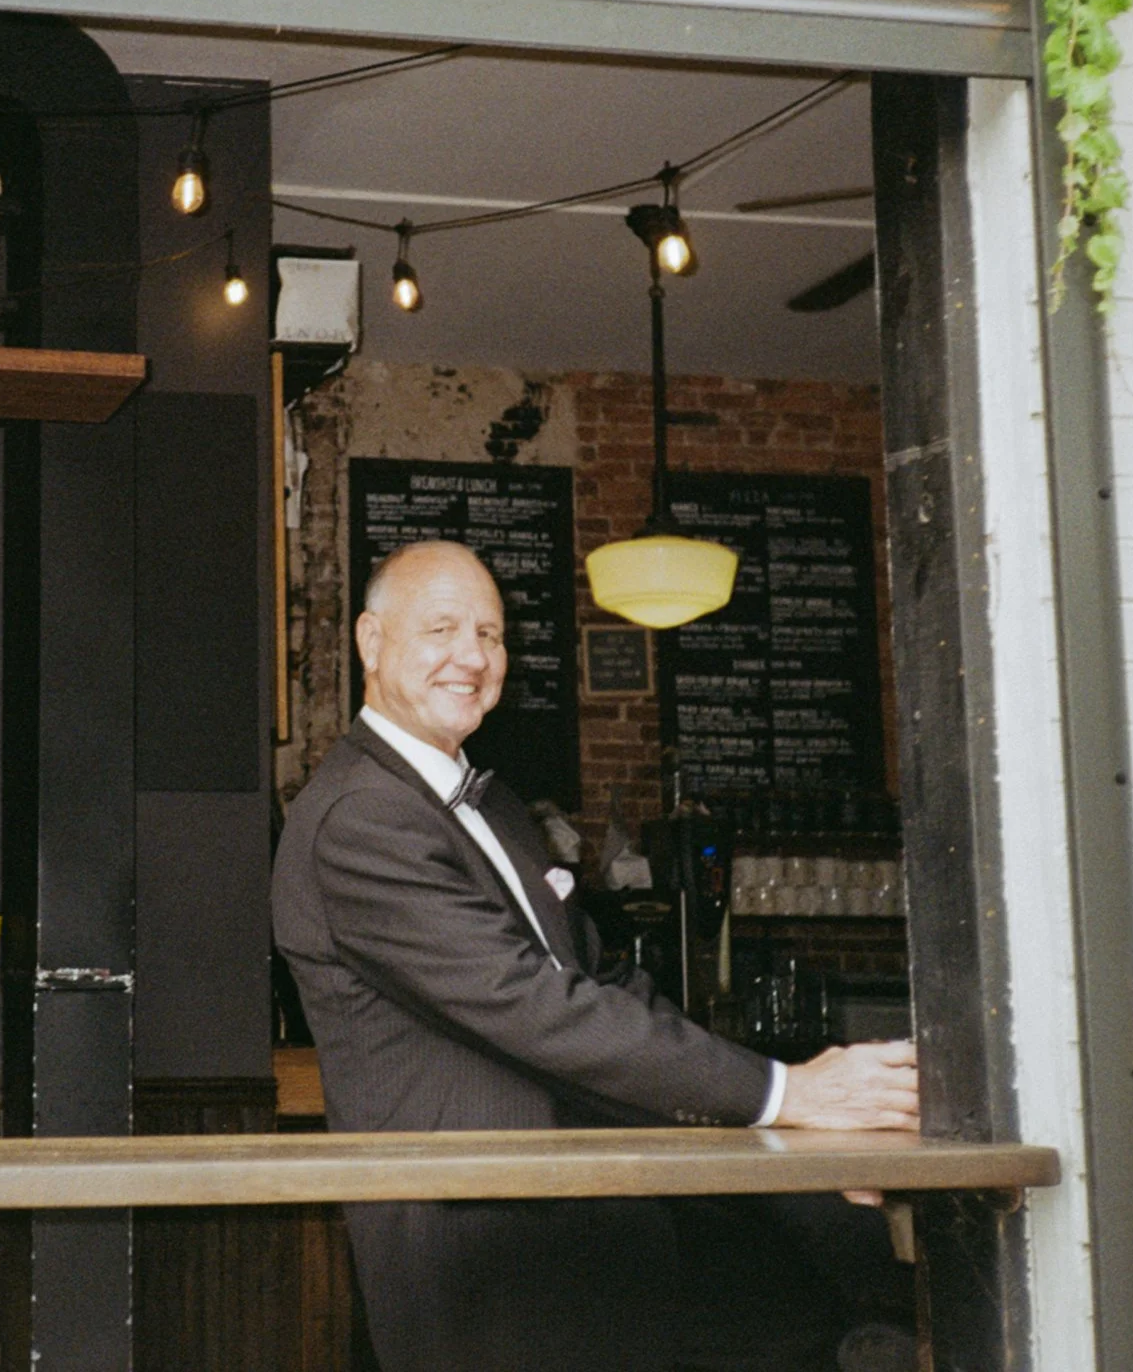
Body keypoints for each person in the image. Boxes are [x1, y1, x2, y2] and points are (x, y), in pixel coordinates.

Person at [273, 540, 922, 1372]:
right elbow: (541, 1011)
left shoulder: (493, 802)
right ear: (370, 642)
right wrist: (787, 1093)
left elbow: (604, 981)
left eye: (492, 634)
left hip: (595, 1223)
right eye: (442, 629)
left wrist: (795, 1129)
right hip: (489, 1252)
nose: (472, 657)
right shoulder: (360, 820)